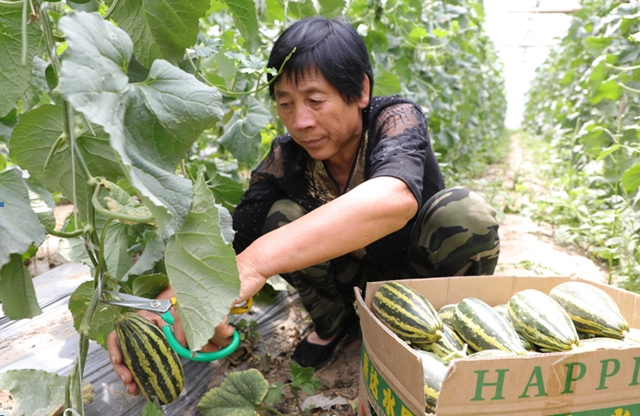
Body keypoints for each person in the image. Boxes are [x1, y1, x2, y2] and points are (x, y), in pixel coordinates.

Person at [108, 16, 500, 395]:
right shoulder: (286, 157)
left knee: (464, 212)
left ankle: (439, 331)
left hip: (418, 279)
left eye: (315, 100)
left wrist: (257, 262)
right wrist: (157, 309)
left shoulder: (395, 118)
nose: (300, 122)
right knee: (279, 218)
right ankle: (334, 323)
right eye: (285, 104)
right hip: (350, 285)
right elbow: (230, 243)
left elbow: (394, 198)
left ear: (360, 91)